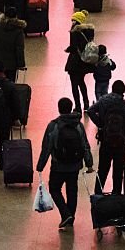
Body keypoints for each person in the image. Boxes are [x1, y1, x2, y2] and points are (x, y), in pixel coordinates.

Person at [38, 97, 93, 230]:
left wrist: (40, 165)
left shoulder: (54, 125)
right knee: (72, 191)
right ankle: (70, 219)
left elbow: (47, 147)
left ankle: (65, 214)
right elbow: (85, 145)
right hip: (74, 165)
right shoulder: (78, 125)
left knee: (55, 189)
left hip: (58, 165)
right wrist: (89, 163)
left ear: (59, 109)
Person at [87, 80, 125, 194]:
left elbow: (90, 110)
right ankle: (116, 195)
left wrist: (101, 124)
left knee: (102, 170)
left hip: (106, 140)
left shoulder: (104, 100)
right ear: (123, 91)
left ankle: (98, 194)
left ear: (112, 89)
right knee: (118, 171)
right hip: (120, 142)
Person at [65, 11, 96, 113]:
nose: (72, 21)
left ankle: (78, 106)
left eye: (73, 19)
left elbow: (73, 47)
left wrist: (68, 49)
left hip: (74, 63)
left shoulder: (75, 32)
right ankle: (86, 104)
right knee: (81, 83)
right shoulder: (88, 32)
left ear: (77, 20)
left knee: (74, 85)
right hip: (83, 62)